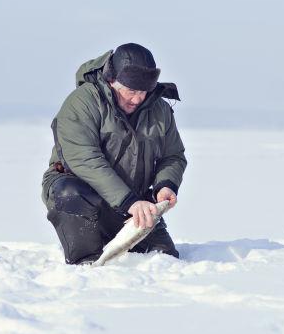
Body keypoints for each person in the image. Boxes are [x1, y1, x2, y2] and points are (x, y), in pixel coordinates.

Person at [41, 43, 187, 264]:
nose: (138, 99)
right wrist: (129, 201)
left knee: (164, 259)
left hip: (133, 203)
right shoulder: (82, 102)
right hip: (87, 200)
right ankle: (86, 262)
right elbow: (84, 158)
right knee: (68, 191)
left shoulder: (160, 109)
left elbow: (173, 155)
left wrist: (166, 184)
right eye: (131, 91)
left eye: (144, 91)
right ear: (112, 80)